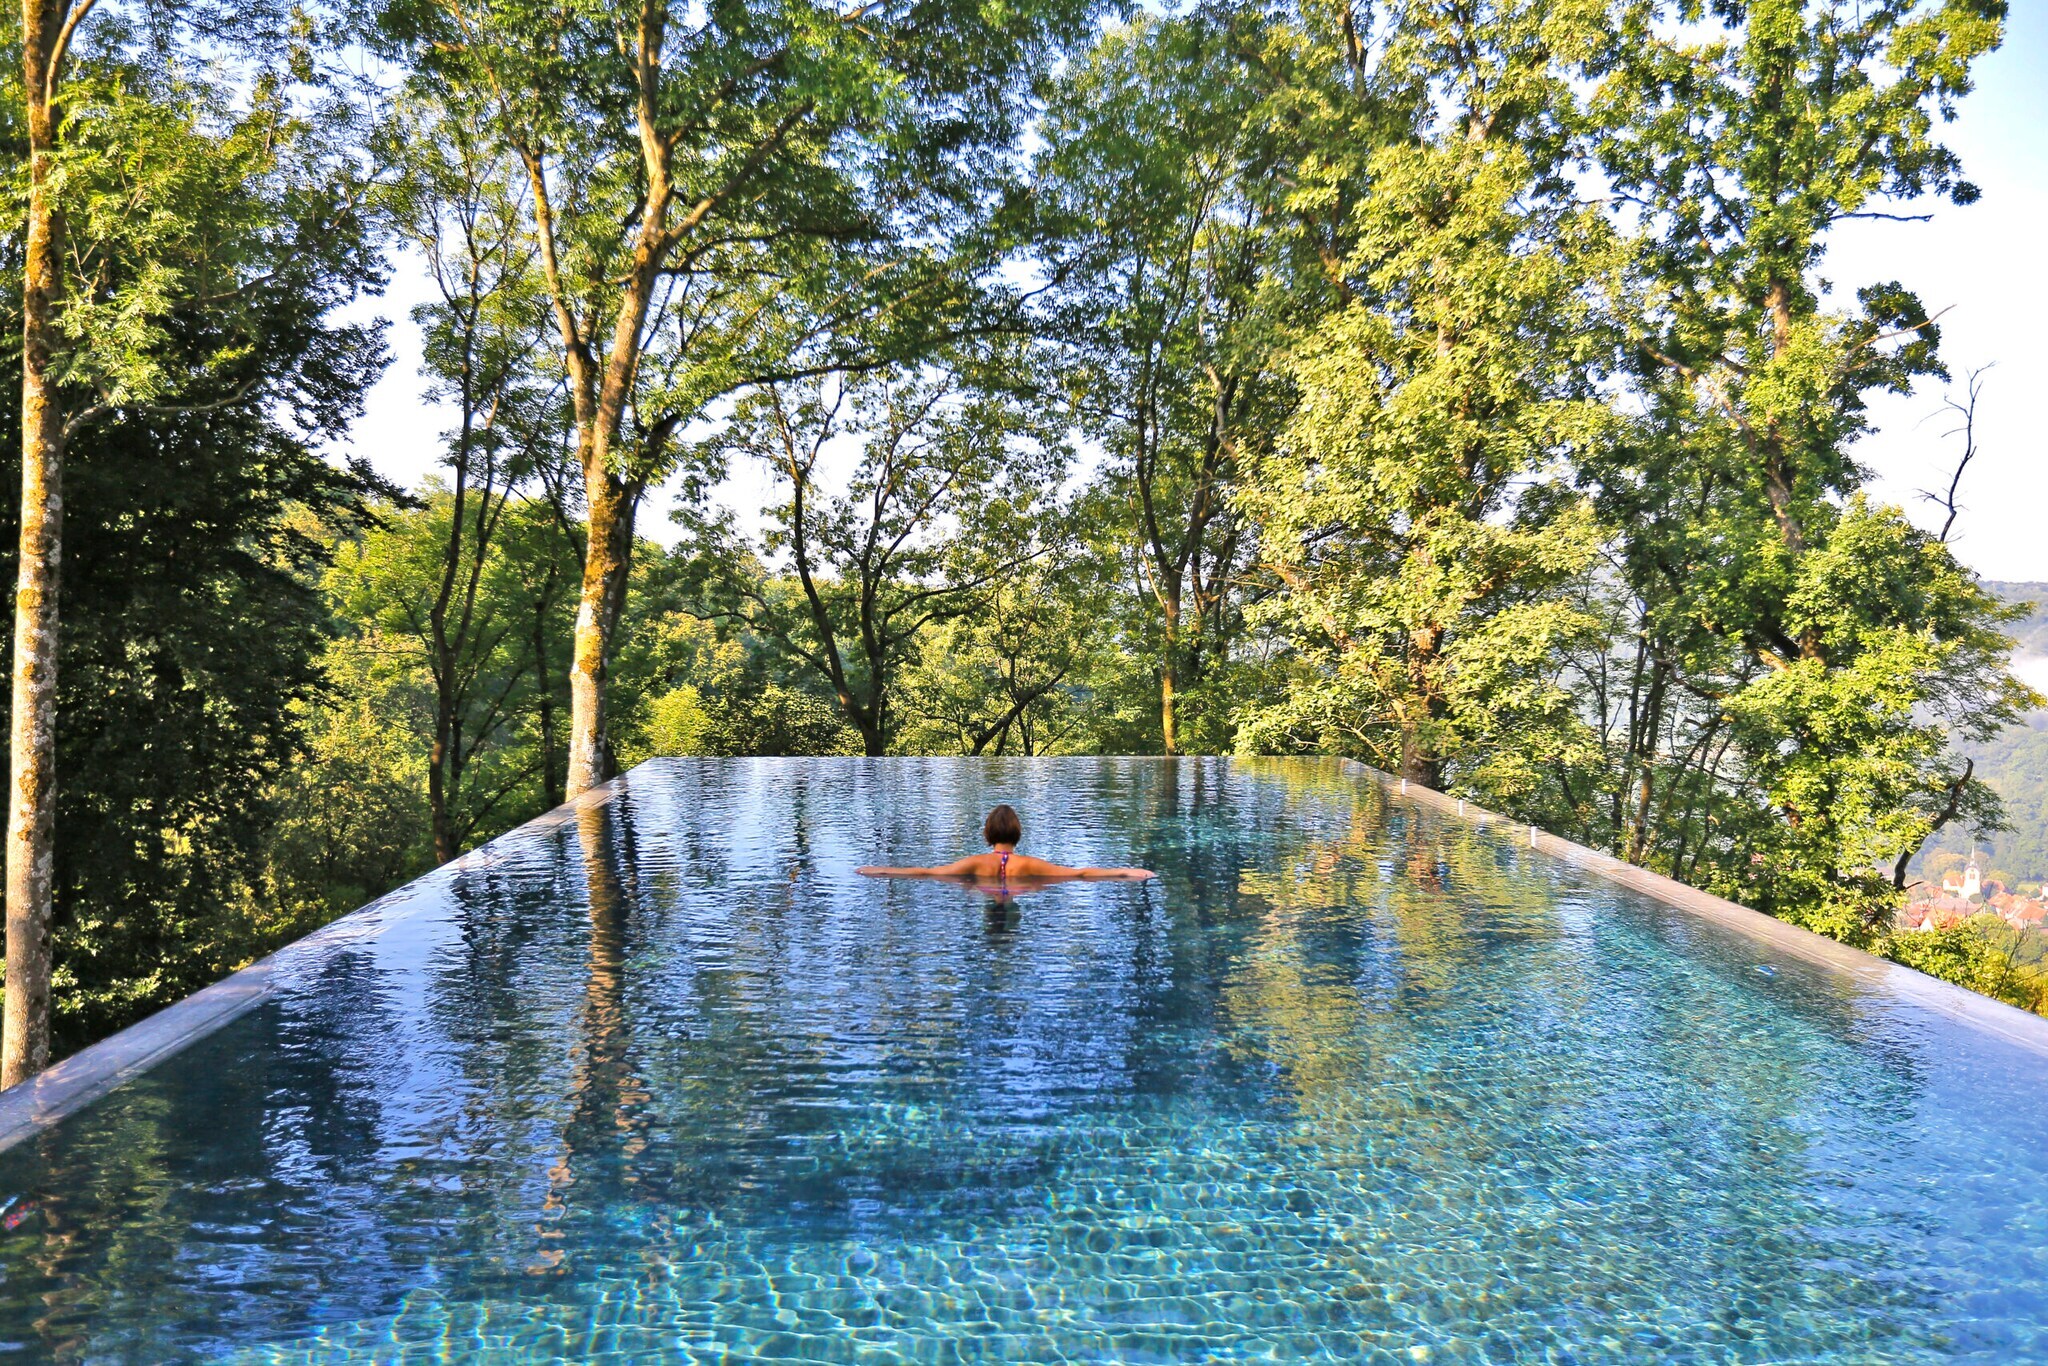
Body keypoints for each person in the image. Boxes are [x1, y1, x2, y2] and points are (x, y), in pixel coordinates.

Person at [858, 804, 1154, 885]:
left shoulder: (976, 863)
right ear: (1018, 833)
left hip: (983, 885)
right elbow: (1080, 874)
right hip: (1020, 884)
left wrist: (880, 870)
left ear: (987, 834)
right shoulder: (1029, 865)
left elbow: (927, 873)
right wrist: (1126, 871)